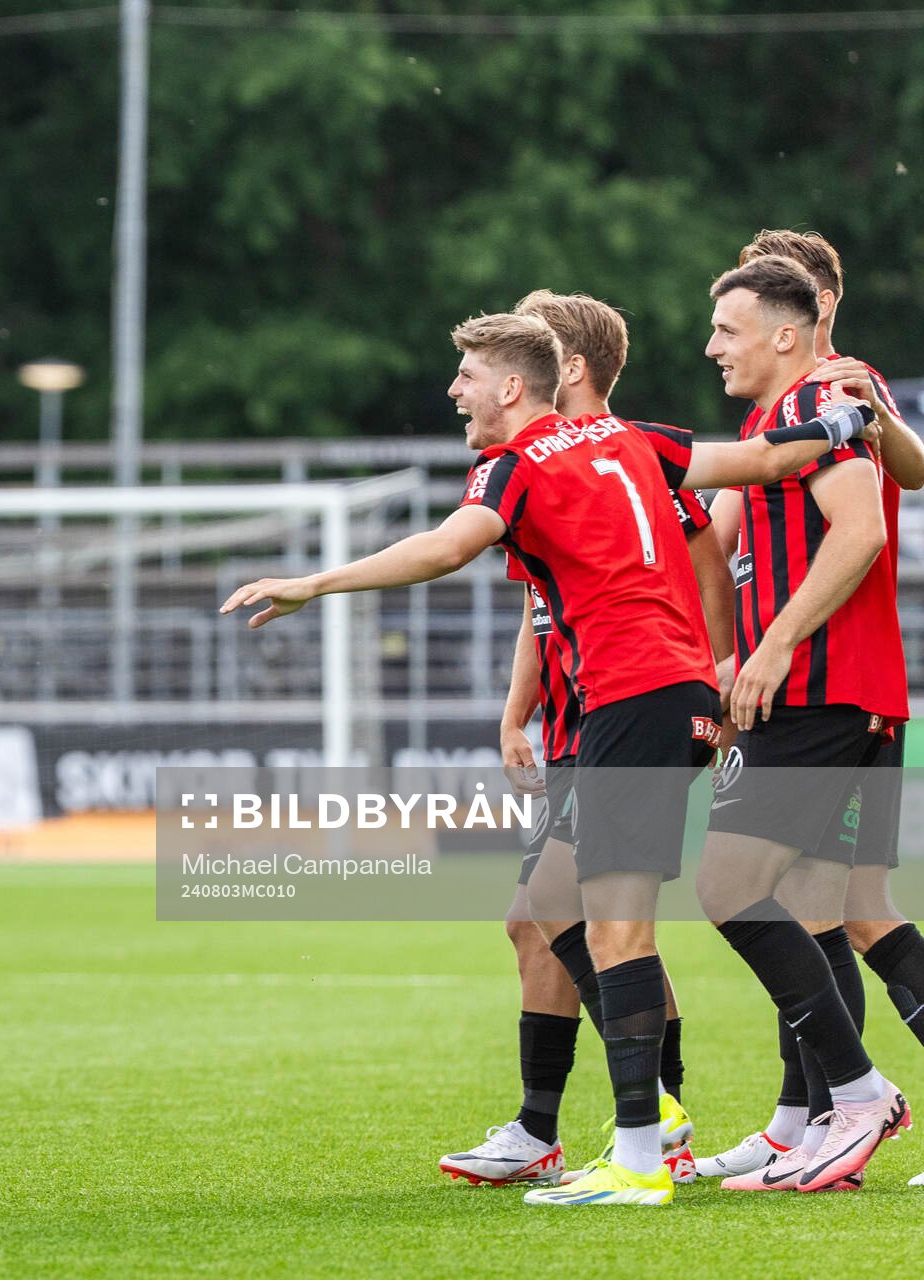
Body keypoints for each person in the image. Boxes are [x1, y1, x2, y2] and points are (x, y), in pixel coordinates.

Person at [225, 310, 881, 1206]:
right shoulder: (634, 436)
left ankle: (658, 1152)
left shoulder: (517, 464)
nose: (454, 391)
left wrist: (316, 581)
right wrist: (846, 423)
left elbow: (446, 546)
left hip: (632, 698)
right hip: (676, 692)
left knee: (620, 927)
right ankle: (650, 1130)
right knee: (554, 899)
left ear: (511, 387)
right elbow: (764, 459)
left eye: (466, 376)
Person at [698, 230, 924, 1186]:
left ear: (799, 324)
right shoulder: (790, 413)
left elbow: (867, 523)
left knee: (731, 887)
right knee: (842, 910)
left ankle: (852, 1099)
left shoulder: (820, 390)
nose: (713, 344)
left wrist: (775, 643)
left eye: (726, 326)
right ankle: (817, 1116)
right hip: (854, 686)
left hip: (819, 685)